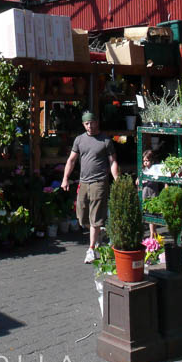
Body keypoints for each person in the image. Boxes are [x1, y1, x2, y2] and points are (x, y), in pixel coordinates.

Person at [61, 111, 119, 263]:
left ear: (96, 122)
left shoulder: (105, 140)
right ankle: (98, 232)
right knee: (81, 217)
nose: (90, 126)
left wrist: (117, 179)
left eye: (92, 122)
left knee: (95, 217)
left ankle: (91, 249)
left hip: (99, 182)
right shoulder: (79, 140)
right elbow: (71, 160)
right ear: (83, 124)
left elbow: (112, 162)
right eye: (87, 123)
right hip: (83, 182)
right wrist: (65, 178)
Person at [137, 149, 159, 239]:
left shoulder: (154, 169)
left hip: (152, 192)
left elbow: (156, 178)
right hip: (144, 193)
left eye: (147, 161)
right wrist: (138, 181)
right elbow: (138, 180)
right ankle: (149, 233)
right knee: (144, 213)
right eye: (144, 161)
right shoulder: (143, 170)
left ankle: (152, 233)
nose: (145, 163)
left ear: (152, 160)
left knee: (152, 214)